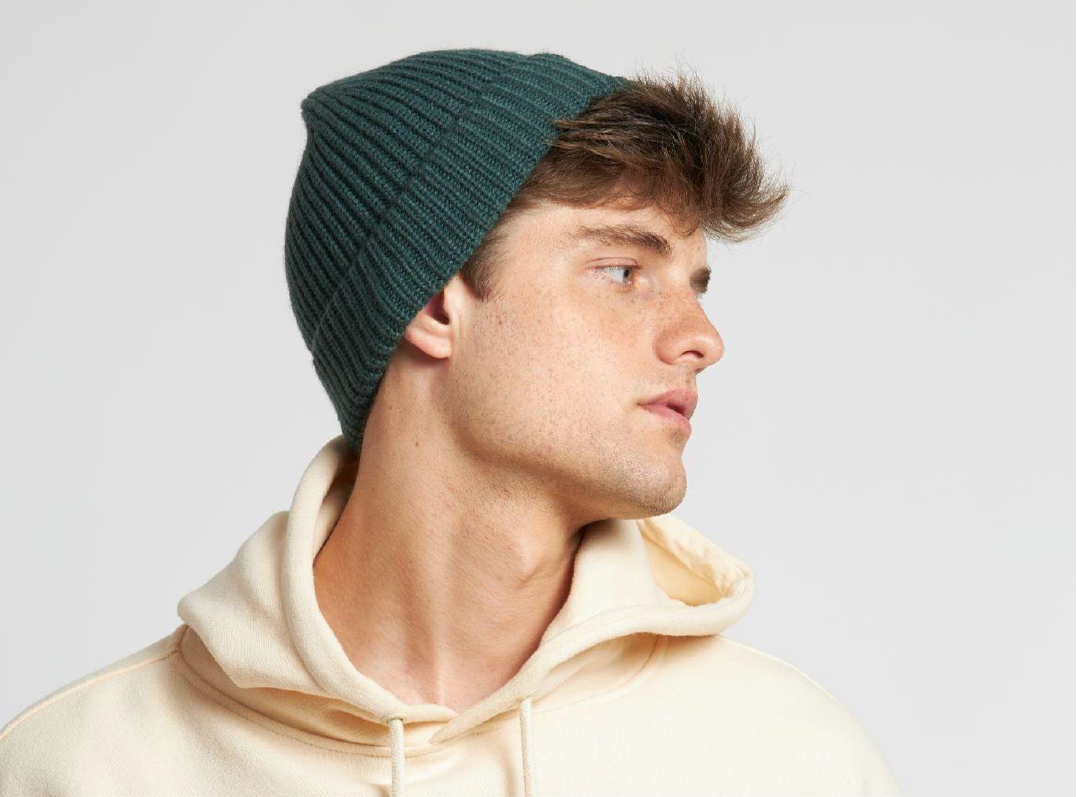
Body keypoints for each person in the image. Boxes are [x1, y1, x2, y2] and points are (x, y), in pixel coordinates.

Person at [0, 48, 903, 796]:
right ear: (435, 303)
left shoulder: (791, 761)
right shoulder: (81, 768)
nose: (702, 338)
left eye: (696, 286)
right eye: (624, 272)